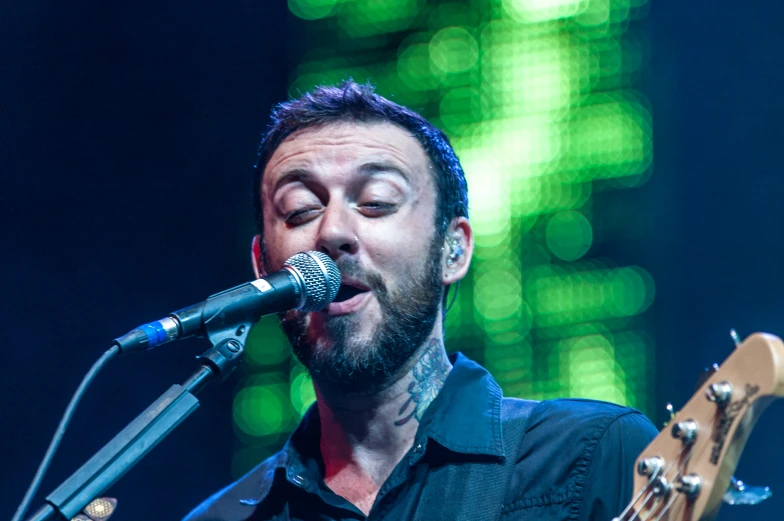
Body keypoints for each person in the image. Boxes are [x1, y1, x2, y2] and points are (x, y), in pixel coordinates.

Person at [183, 81, 658, 521]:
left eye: (376, 202)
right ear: (263, 265)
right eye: (300, 210)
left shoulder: (595, 454)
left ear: (452, 249)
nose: (331, 233)